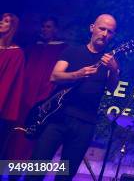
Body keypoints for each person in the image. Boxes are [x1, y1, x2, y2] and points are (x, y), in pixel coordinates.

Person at [29, 14, 120, 180]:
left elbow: (112, 87)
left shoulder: (110, 61)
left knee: (66, 174)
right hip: (58, 118)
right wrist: (77, 74)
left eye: (110, 31)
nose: (105, 34)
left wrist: (114, 70)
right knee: (37, 166)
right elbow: (55, 76)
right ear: (92, 28)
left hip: (86, 123)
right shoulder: (72, 51)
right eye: (102, 29)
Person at [8, 17, 68, 160]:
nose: (44, 29)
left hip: (45, 98)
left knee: (37, 138)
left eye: (48, 27)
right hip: (26, 97)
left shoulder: (61, 49)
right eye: (43, 26)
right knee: (18, 136)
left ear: (55, 30)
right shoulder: (33, 47)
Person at [0, 13, 25, 156]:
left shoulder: (16, 54)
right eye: (1, 19)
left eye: (6, 21)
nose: (1, 22)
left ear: (12, 27)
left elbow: (7, 86)